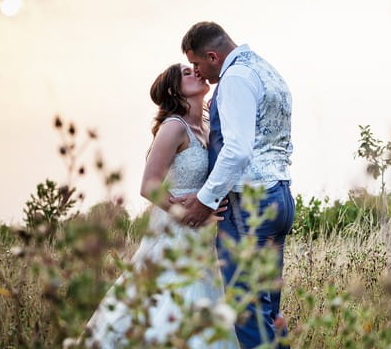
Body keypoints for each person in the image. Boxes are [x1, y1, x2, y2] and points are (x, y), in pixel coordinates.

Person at [82, 64, 238, 349]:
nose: (196, 72)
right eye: (187, 73)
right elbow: (149, 186)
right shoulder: (173, 127)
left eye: (194, 69)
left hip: (203, 237)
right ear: (173, 90)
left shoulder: (206, 127)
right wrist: (189, 214)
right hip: (174, 231)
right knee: (172, 300)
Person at [173, 21, 295, 349]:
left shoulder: (236, 79)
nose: (198, 72)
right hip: (280, 194)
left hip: (250, 204)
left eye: (197, 64)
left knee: (248, 311)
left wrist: (205, 199)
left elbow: (238, 150)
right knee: (268, 311)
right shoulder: (265, 70)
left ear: (213, 56)